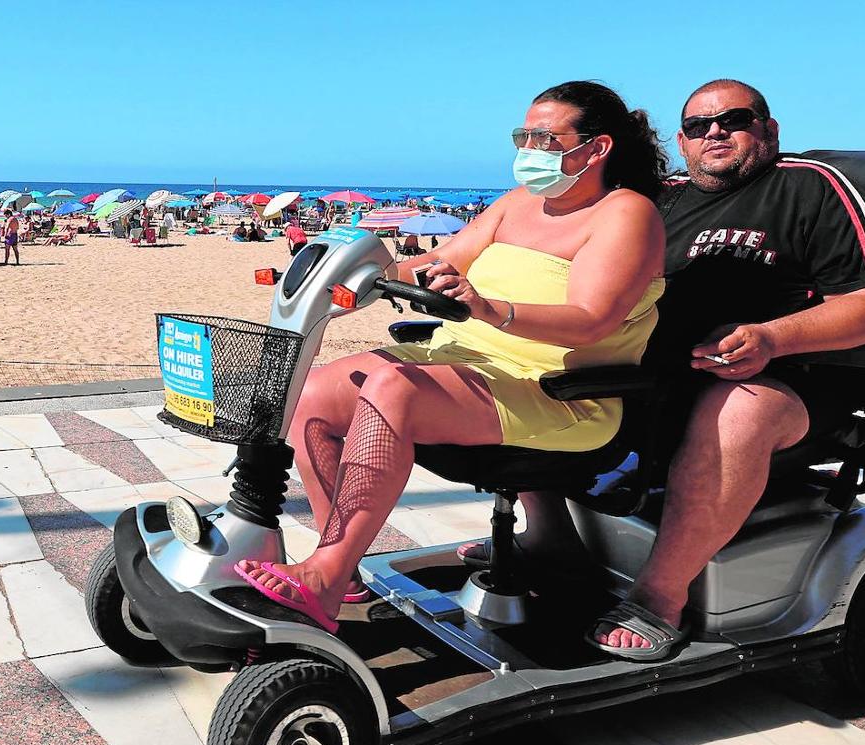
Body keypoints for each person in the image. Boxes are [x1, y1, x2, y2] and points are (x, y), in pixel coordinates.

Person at [458, 79, 865, 660]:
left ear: (768, 130)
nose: (714, 132)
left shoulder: (810, 188)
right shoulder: (656, 199)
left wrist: (771, 336)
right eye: (697, 125)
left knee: (735, 407)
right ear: (681, 140)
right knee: (535, 366)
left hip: (789, 381)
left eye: (733, 120)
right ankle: (548, 539)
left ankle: (660, 594)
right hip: (662, 376)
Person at [234, 80, 669, 632]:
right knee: (313, 393)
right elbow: (438, 262)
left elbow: (594, 318)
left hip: (558, 390)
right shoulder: (516, 205)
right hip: (468, 360)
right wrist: (349, 274)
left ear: (597, 147)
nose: (529, 150)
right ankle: (338, 570)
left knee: (392, 387)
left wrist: (490, 309)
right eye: (523, 136)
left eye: (545, 138)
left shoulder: (626, 215)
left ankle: (323, 575)